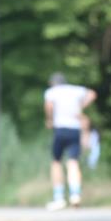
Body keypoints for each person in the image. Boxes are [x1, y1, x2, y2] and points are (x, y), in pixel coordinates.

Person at [44, 73, 96, 210]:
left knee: (56, 162)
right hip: (75, 129)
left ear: (53, 83)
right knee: (73, 162)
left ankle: (59, 197)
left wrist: (49, 120)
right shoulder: (75, 90)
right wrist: (80, 107)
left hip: (60, 129)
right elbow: (92, 94)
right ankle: (75, 194)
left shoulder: (51, 92)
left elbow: (49, 106)